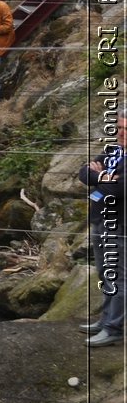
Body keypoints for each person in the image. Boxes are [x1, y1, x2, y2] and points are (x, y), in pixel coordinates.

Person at [78, 113, 127, 346]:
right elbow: (83, 172)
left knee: (119, 277)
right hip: (99, 219)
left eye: (126, 129)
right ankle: (105, 318)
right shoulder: (113, 151)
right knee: (103, 272)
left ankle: (113, 328)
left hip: (119, 225)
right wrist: (104, 177)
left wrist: (99, 176)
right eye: (119, 127)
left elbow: (119, 190)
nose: (121, 133)